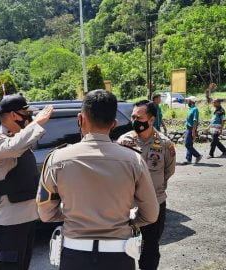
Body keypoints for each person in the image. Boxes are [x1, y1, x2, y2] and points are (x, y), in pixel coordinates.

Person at [37, 90, 159, 270]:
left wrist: (74, 213)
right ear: (114, 124)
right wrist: (124, 218)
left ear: (80, 119)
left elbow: (45, 213)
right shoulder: (134, 160)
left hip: (74, 255)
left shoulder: (57, 159)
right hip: (119, 256)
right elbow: (150, 214)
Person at [0, 93, 53, 270]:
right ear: (14, 115)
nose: (29, 118)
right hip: (9, 225)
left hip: (26, 221)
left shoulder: (17, 138)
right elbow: (14, 147)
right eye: (25, 113)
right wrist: (37, 124)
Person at [117, 100, 176, 270]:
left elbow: (168, 171)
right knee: (123, 246)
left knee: (150, 248)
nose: (134, 120)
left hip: (154, 203)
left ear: (151, 120)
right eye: (133, 116)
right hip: (127, 204)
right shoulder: (123, 141)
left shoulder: (165, 144)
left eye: (139, 117)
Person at [183, 96, 202, 164]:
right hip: (188, 128)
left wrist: (193, 131)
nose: (187, 102)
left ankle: (198, 155)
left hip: (191, 129)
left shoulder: (195, 109)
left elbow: (195, 121)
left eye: (188, 101)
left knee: (187, 144)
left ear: (191, 101)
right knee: (189, 144)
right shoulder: (190, 109)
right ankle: (188, 159)